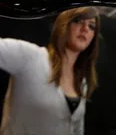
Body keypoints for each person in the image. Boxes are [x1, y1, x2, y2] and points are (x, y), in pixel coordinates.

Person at [0, 7, 100, 135]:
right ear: (64, 24)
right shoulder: (31, 57)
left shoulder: (82, 82)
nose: (85, 28)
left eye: (92, 26)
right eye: (79, 20)